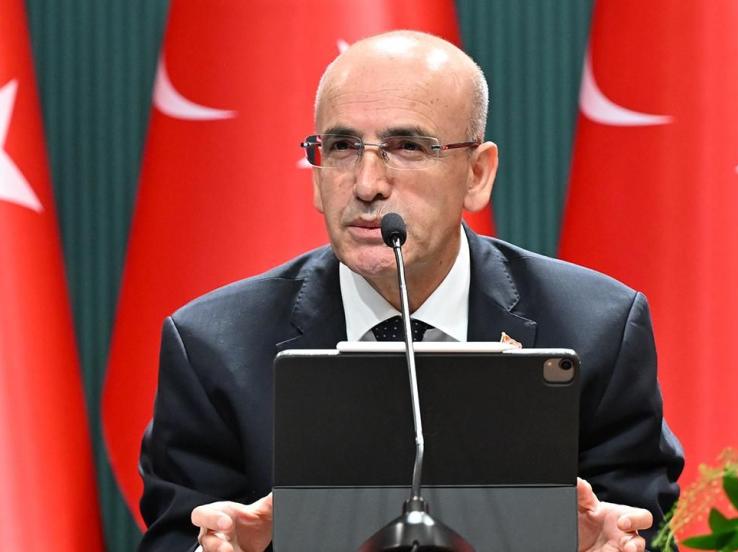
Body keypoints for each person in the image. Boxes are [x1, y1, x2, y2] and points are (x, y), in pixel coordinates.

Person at [138, 30, 683, 552]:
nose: (367, 184)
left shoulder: (597, 330)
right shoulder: (215, 347)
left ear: (477, 174)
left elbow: (646, 531)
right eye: (342, 146)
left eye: (407, 147)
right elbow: (176, 537)